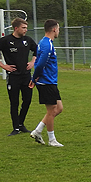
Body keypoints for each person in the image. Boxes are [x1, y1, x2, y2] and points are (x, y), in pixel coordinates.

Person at [0, 17, 37, 136]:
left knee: (27, 100)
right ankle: (15, 127)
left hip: (26, 76)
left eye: (26, 27)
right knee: (14, 102)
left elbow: (37, 50)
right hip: (13, 77)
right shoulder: (5, 41)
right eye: (23, 28)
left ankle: (21, 124)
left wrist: (32, 62)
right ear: (16, 28)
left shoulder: (28, 40)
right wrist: (3, 66)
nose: (26, 30)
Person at [29, 19, 64, 147]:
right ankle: (52, 139)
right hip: (46, 82)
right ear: (54, 29)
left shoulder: (45, 43)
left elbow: (39, 62)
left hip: (51, 81)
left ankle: (37, 131)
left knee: (59, 108)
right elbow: (40, 64)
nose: (58, 31)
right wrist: (35, 78)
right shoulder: (46, 44)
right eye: (58, 28)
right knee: (51, 111)